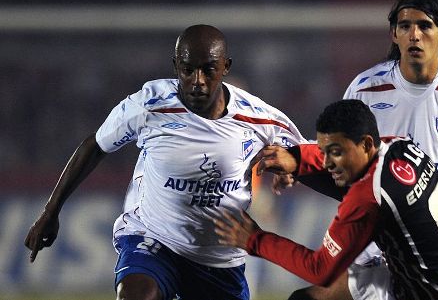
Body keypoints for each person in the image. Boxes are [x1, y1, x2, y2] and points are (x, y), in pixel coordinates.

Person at [24, 24, 306, 300]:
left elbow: (308, 155)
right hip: (154, 238)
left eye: (208, 69)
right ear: (175, 66)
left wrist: (292, 164)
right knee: (136, 294)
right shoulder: (149, 104)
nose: (198, 80)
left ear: (225, 66)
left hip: (219, 258)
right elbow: (95, 145)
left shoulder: (261, 118)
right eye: (187, 69)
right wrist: (51, 210)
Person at [273, 0, 438, 300]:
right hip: (379, 244)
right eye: (405, 26)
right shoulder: (367, 89)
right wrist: (296, 164)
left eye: (424, 26)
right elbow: (337, 152)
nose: (414, 35)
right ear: (394, 35)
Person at [215, 99, 438, 300]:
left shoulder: (368, 197)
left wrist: (254, 239)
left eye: (336, 151)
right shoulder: (400, 146)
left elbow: (320, 269)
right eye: (324, 151)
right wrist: (298, 160)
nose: (327, 162)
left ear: (365, 144)